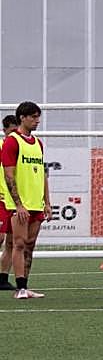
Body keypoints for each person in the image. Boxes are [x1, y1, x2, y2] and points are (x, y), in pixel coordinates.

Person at [1, 102, 50, 299]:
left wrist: (47, 202)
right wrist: (18, 204)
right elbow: (9, 176)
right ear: (22, 117)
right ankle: (19, 289)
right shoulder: (12, 142)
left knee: (30, 245)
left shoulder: (38, 143)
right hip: (19, 205)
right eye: (33, 117)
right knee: (19, 244)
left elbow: (43, 175)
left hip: (36, 204)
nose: (37, 121)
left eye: (38, 117)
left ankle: (25, 287)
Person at [0, 114, 18, 291]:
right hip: (0, 199)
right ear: (4, 130)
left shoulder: (17, 147)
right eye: (11, 131)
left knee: (12, 241)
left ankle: (3, 278)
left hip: (13, 200)